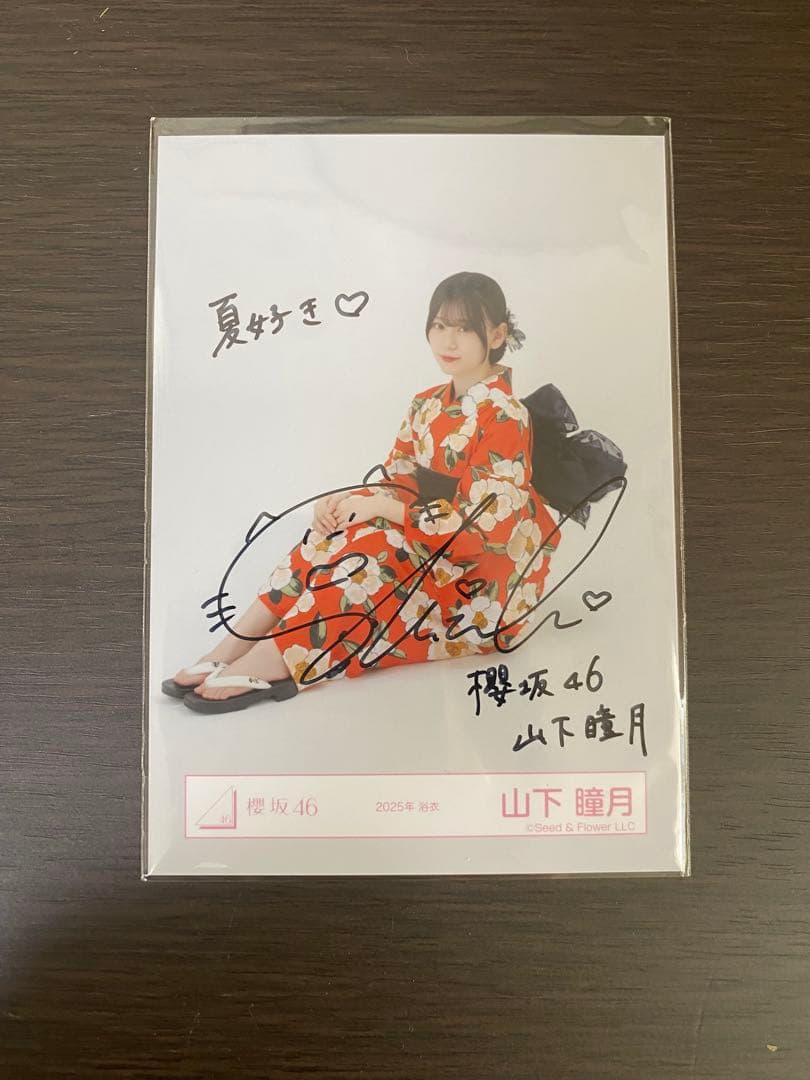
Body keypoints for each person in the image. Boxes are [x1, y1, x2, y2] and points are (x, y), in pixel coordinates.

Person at [163, 271, 562, 714]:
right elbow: (398, 481)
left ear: (497, 335)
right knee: (332, 535)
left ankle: (277, 658)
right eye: (439, 325)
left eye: (465, 328)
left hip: (478, 578)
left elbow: (484, 526)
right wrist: (345, 505)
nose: (448, 341)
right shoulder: (427, 403)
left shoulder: (506, 415)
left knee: (374, 553)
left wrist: (382, 510)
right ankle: (235, 646)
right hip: (431, 539)